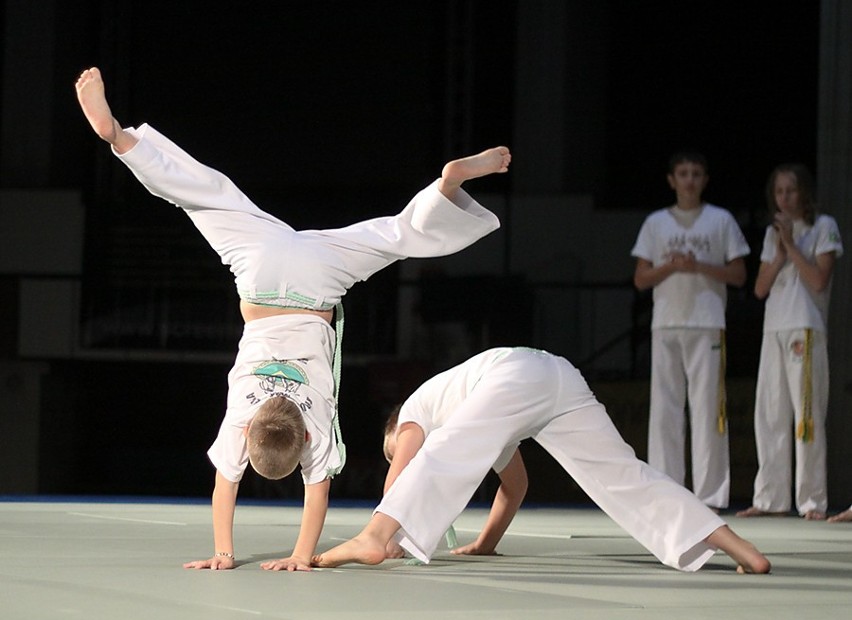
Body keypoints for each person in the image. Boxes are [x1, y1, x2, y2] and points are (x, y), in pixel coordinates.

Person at [75, 67, 511, 571]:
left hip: (319, 278)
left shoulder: (313, 424)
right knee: (205, 194)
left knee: (395, 237)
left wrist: (303, 555)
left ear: (303, 439)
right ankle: (120, 139)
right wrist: (222, 550)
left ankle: (447, 187)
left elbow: (317, 491)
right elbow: (224, 486)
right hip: (261, 267)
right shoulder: (242, 420)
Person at [312, 347, 771, 574]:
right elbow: (515, 487)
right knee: (625, 475)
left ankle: (371, 536)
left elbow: (405, 468)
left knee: (443, 450)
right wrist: (486, 542)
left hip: (516, 373)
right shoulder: (487, 421)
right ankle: (739, 549)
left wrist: (383, 535)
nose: (402, 451)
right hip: (557, 378)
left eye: (398, 445)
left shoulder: (414, 412)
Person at [631, 152, 750, 511]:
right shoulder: (656, 223)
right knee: (665, 409)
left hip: (707, 322)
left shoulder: (720, 220)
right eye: (683, 174)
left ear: (704, 179)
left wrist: (698, 265)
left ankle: (709, 497)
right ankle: (666, 491)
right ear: (672, 180)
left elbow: (740, 274)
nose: (689, 180)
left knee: (707, 409)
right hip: (666, 322)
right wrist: (672, 266)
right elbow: (640, 278)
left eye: (696, 174)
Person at [737, 164, 843, 521]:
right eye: (779, 191)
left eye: (791, 190)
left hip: (805, 327)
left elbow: (818, 279)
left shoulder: (823, 226)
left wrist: (792, 245)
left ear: (804, 193)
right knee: (769, 414)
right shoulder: (773, 235)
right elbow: (759, 288)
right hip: (774, 328)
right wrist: (780, 248)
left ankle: (812, 500)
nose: (784, 197)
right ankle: (770, 498)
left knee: (807, 417)